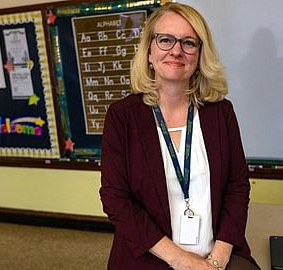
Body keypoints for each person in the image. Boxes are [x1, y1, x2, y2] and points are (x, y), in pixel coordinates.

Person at [100, 3, 260, 270]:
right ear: (149, 52)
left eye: (188, 43)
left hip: (217, 254)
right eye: (165, 40)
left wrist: (217, 259)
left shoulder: (221, 112)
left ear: (199, 55)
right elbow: (116, 199)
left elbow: (237, 186)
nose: (176, 50)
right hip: (152, 256)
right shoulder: (122, 117)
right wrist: (180, 260)